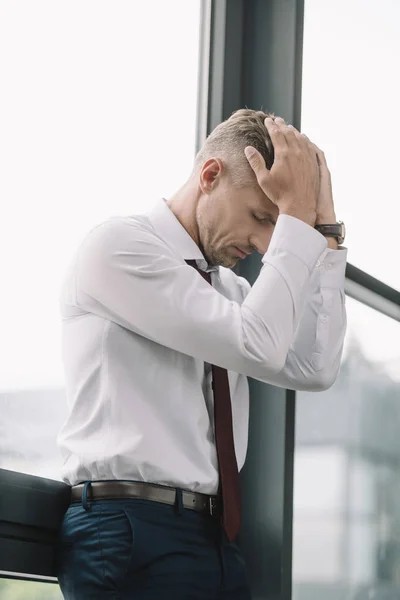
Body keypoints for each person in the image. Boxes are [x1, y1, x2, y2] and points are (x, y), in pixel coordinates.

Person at [55, 109, 347, 599]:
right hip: (130, 530)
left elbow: (316, 366)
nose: (261, 246)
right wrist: (295, 217)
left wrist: (327, 235)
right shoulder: (118, 248)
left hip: (211, 536)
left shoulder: (228, 293)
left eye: (276, 233)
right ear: (211, 175)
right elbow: (257, 341)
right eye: (260, 219)